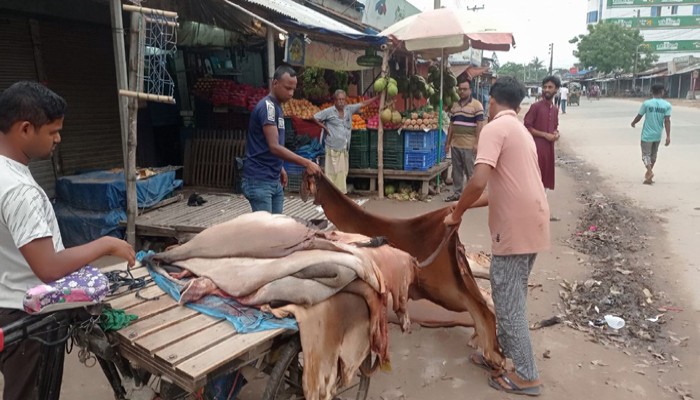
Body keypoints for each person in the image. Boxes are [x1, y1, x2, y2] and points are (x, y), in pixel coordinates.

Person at [0, 81, 136, 400]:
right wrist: (105, 244)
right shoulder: (21, 192)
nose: (59, 139)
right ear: (25, 129)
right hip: (26, 315)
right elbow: (48, 267)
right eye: (52, 132)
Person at [444, 76, 548, 397]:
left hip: (515, 227)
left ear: (490, 101)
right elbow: (495, 190)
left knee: (508, 303)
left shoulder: (493, 128)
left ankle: (528, 376)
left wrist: (457, 214)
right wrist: (460, 205)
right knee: (510, 296)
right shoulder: (520, 131)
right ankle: (497, 353)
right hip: (534, 220)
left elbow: (476, 182)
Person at [242, 65, 322, 213]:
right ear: (275, 83)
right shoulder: (268, 108)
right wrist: (306, 162)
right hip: (260, 180)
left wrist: (280, 167)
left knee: (277, 230)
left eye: (293, 89)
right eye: (287, 88)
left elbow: (271, 145)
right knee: (267, 232)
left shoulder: (277, 108)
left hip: (273, 178)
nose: (291, 93)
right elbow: (274, 147)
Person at [313, 90, 378, 193]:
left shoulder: (349, 109)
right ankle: (331, 193)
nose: (341, 102)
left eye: (343, 99)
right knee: (332, 173)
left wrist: (376, 97)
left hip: (344, 148)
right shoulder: (329, 111)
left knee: (342, 172)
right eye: (339, 99)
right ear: (335, 100)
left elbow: (363, 104)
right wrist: (324, 128)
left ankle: (339, 193)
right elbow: (315, 117)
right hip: (332, 148)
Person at [444, 78, 485, 202]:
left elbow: (479, 125)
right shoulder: (455, 105)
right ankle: (457, 193)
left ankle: (472, 196)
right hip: (456, 144)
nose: (462, 91)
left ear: (470, 90)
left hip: (469, 144)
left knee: (470, 171)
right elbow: (451, 125)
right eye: (460, 89)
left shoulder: (477, 105)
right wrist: (448, 142)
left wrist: (477, 143)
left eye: (464, 89)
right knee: (456, 172)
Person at [524, 76, 560, 206]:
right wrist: (545, 135)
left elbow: (555, 127)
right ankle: (532, 207)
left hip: (548, 150)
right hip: (536, 149)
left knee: (545, 178)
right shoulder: (535, 107)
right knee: (534, 179)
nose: (546, 90)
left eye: (550, 87)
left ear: (556, 89)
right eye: (545, 87)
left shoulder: (555, 109)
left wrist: (556, 134)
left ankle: (541, 206)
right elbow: (527, 126)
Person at [630, 83, 671, 184]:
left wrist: (633, 123)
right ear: (662, 92)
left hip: (647, 135)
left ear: (652, 92)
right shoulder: (667, 105)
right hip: (657, 135)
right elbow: (667, 121)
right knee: (653, 156)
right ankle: (649, 176)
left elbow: (639, 116)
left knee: (645, 155)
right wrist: (668, 136)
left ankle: (649, 171)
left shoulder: (647, 104)